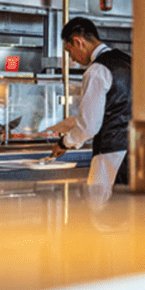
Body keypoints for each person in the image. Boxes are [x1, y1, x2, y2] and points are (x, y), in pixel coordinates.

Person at [47, 16, 132, 193]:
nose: (72, 59)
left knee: (103, 208)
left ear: (78, 42)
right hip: (137, 152)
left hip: (110, 156)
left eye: (69, 51)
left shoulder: (97, 71)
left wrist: (64, 143)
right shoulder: (128, 61)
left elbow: (89, 127)